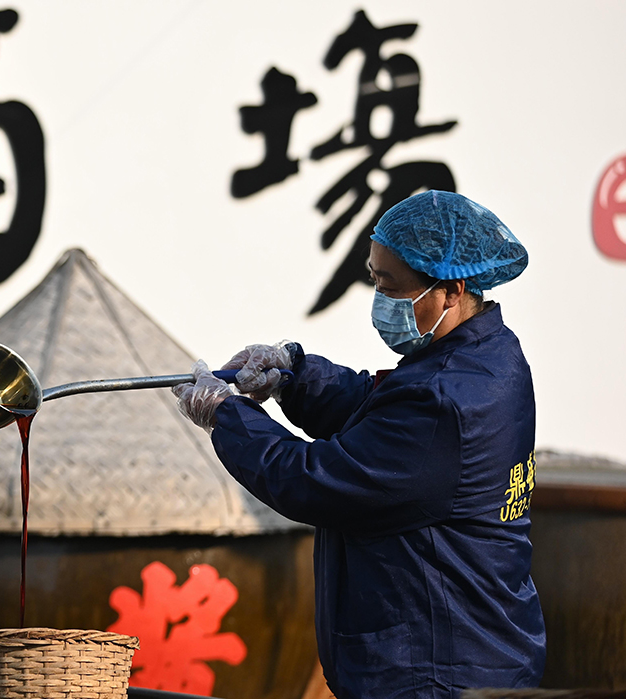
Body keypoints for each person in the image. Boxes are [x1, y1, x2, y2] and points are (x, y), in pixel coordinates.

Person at [174, 191, 545, 699]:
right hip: (472, 651)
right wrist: (294, 374)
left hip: (438, 670)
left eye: (391, 287)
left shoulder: (446, 402)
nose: (381, 300)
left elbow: (314, 480)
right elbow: (377, 407)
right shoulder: (486, 356)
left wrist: (227, 415)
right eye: (375, 280)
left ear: (453, 290)